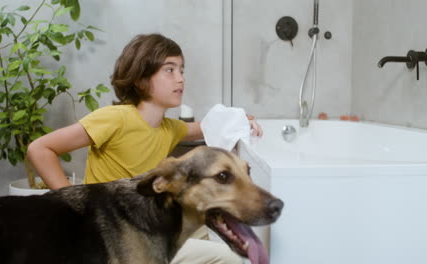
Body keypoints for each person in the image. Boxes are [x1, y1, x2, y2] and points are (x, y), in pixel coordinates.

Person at [27, 33, 262, 264]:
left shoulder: (169, 128)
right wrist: (75, 212)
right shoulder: (115, 119)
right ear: (141, 80)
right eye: (169, 70)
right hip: (118, 237)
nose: (180, 78)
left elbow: (203, 127)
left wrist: (242, 121)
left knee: (214, 228)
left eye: (182, 70)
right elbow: (40, 149)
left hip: (149, 226)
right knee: (228, 256)